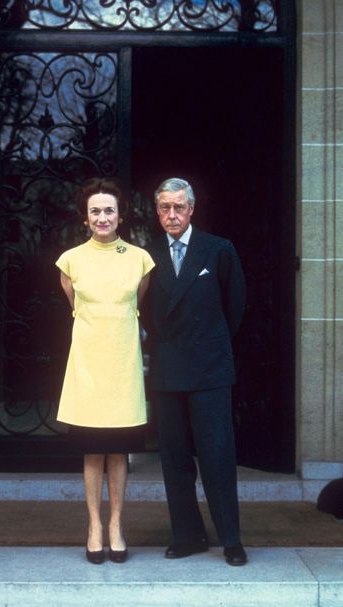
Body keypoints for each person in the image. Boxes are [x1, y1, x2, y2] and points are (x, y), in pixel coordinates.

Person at [143, 177, 247, 566]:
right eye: (165, 208)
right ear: (157, 212)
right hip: (169, 371)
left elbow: (234, 309)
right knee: (175, 458)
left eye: (179, 207)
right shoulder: (147, 255)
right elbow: (146, 314)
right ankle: (187, 536)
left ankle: (231, 539)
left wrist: (207, 347)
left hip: (209, 370)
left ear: (192, 209)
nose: (172, 214)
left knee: (218, 456)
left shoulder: (219, 250)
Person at [56, 177, 154, 565]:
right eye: (95, 210)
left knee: (119, 451)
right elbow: (73, 301)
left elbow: (137, 302)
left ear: (120, 215)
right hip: (88, 366)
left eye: (109, 210)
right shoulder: (70, 260)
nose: (102, 217)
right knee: (92, 449)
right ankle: (94, 526)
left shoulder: (140, 258)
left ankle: (116, 525)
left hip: (123, 365)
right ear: (85, 217)